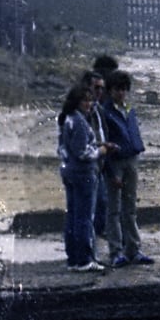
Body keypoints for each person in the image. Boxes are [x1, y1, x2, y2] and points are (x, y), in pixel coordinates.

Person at [97, 70, 151, 269]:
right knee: (114, 210)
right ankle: (116, 252)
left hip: (131, 159)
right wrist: (110, 172)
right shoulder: (105, 111)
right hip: (115, 162)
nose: (121, 93)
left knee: (130, 209)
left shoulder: (129, 108)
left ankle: (134, 250)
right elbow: (104, 142)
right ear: (110, 91)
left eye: (124, 90)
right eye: (118, 90)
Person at [56, 78, 106, 274]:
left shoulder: (66, 119)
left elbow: (62, 149)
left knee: (73, 216)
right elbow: (82, 152)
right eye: (85, 100)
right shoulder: (79, 122)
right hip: (83, 173)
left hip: (68, 172)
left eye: (90, 100)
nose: (89, 104)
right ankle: (85, 259)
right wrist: (100, 151)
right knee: (85, 217)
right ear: (76, 101)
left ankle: (73, 258)